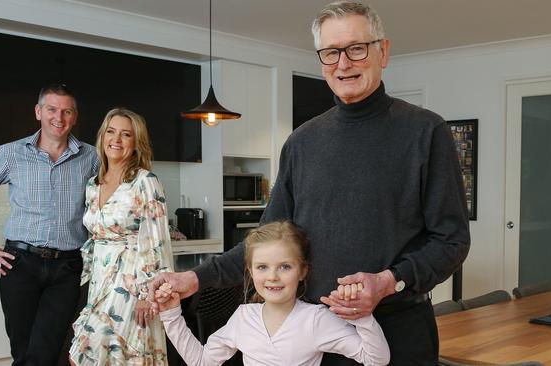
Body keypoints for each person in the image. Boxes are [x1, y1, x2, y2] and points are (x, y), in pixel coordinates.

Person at [149, 1, 470, 364]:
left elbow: (452, 240)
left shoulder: (426, 132)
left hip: (399, 330)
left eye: (356, 48)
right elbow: (265, 242)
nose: (343, 63)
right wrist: (193, 279)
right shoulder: (302, 142)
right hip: (314, 335)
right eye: (331, 52)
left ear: (384, 51)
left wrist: (388, 281)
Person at [0, 83, 99, 366]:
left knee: (46, 351)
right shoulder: (12, 153)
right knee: (23, 351)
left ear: (75, 116)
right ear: (38, 112)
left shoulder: (92, 157)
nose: (58, 118)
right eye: (51, 109)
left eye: (66, 111)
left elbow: (109, 198)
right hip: (20, 264)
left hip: (67, 268)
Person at [155, 221, 390, 366]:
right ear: (250, 271)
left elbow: (376, 360)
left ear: (302, 271)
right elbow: (202, 362)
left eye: (285, 266)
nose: (272, 276)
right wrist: (171, 316)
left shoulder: (316, 319)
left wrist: (362, 317)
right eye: (262, 267)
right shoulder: (244, 318)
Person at [69, 108, 174, 366]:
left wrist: (148, 295)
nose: (116, 140)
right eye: (111, 132)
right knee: (86, 354)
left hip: (132, 284)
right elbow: (94, 240)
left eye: (126, 134)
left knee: (118, 356)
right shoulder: (94, 184)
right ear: (102, 136)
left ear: (136, 143)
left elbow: (157, 242)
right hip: (99, 284)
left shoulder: (145, 181)